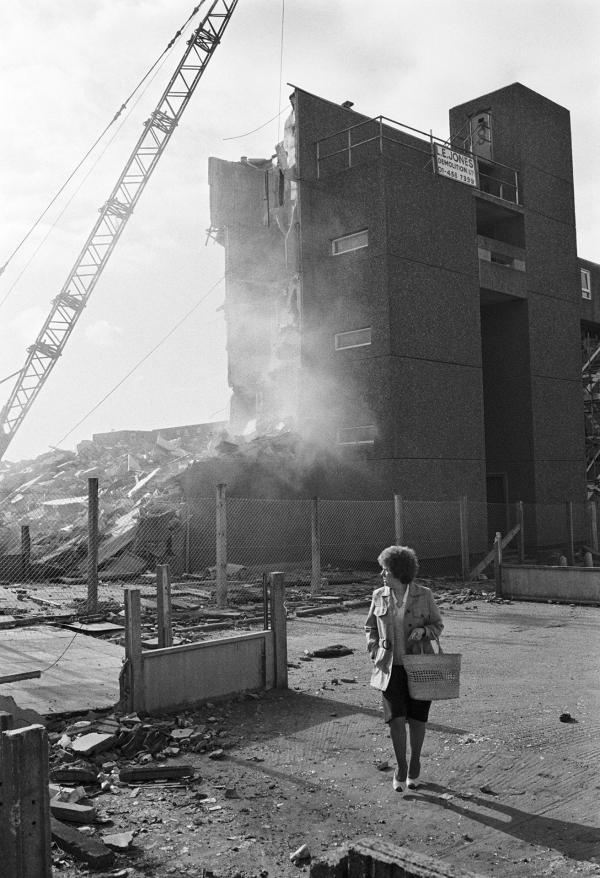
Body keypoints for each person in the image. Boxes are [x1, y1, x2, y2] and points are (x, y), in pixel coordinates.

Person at [365, 545, 444, 792]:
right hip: (390, 669)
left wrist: (425, 631)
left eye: (385, 570)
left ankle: (415, 762)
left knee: (417, 719)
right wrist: (374, 650)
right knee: (395, 720)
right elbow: (370, 628)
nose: (382, 575)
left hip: (419, 665)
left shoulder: (424, 595)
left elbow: (438, 625)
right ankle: (401, 766)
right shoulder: (379, 595)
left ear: (399, 572)